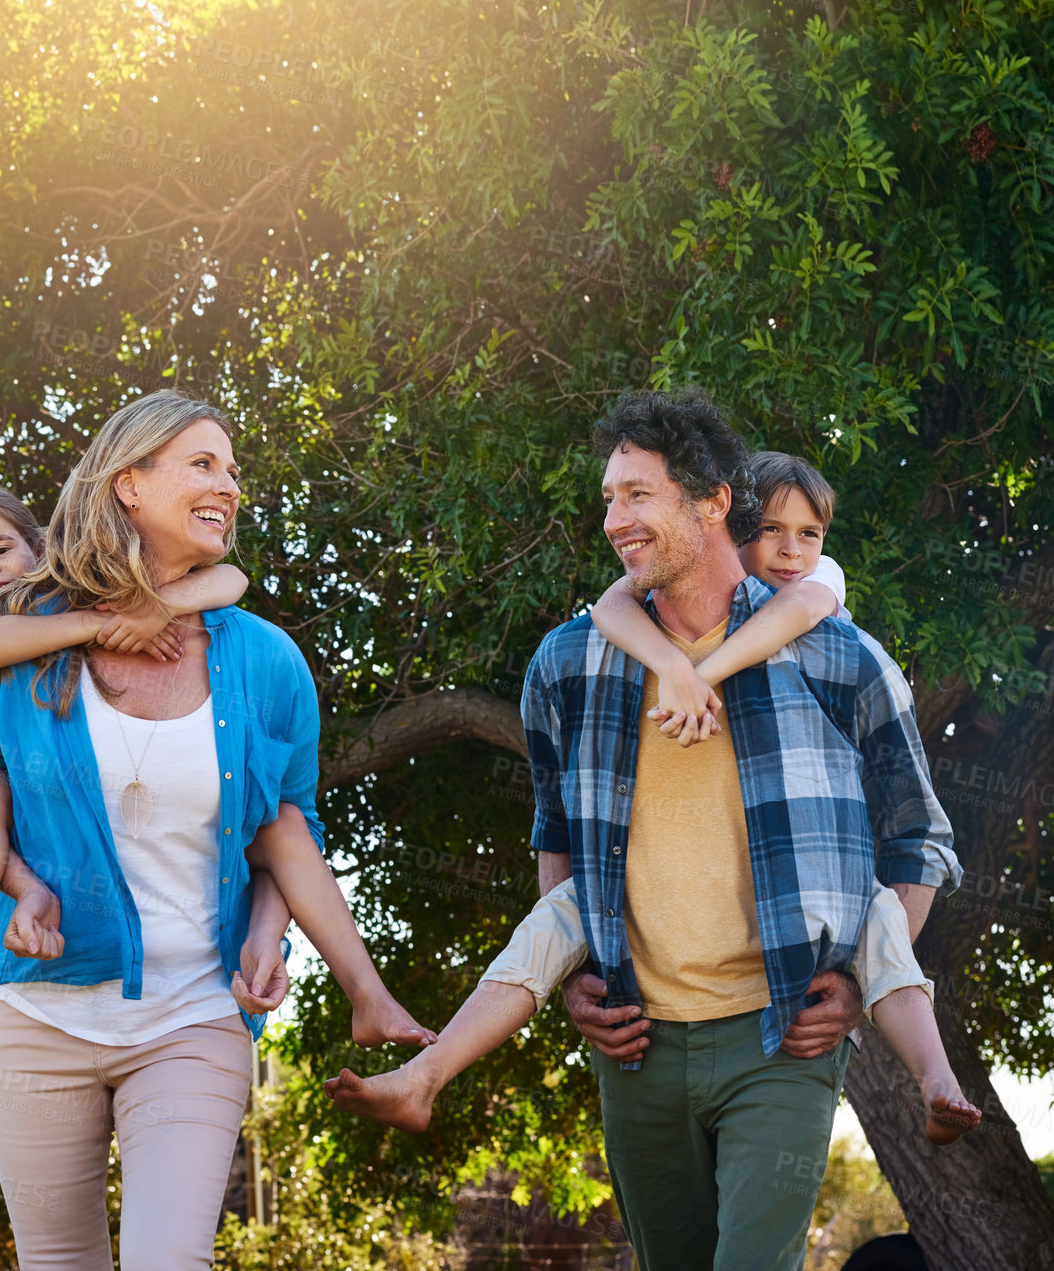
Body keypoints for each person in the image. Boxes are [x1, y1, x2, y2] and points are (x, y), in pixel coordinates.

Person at [339, 386, 960, 1271]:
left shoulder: (838, 654)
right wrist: (574, 981)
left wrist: (861, 987)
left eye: (636, 495)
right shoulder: (567, 663)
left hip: (781, 1037)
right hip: (637, 1045)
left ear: (712, 501)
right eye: (607, 499)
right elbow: (554, 833)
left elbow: (916, 842)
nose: (613, 520)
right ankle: (428, 1075)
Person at [0, 392, 431, 1271]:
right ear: (129, 485)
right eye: (203, 465)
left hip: (193, 1013)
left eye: (232, 470)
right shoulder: (17, 640)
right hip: (36, 1013)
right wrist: (22, 887)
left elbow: (286, 825)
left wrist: (268, 937)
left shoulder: (265, 659)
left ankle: (369, 993)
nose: (228, 484)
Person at [0, 477, 247, 1027]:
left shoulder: (80, 589)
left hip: (176, 949)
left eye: (0, 550)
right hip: (18, 846)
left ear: (38, 550)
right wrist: (100, 627)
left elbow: (231, 576)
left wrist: (154, 608)